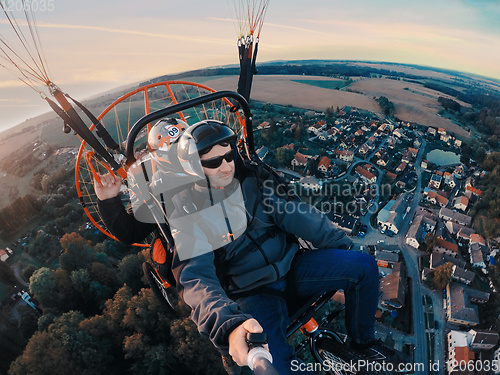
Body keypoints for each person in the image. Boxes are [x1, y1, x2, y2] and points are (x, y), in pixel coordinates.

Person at [96, 119, 408, 375]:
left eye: (229, 156)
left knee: (363, 267)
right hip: (252, 293)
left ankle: (362, 343)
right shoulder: (186, 211)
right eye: (214, 161)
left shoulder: (255, 182)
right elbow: (196, 279)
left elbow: (305, 220)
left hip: (293, 266)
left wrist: (343, 249)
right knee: (273, 365)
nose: (226, 166)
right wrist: (229, 325)